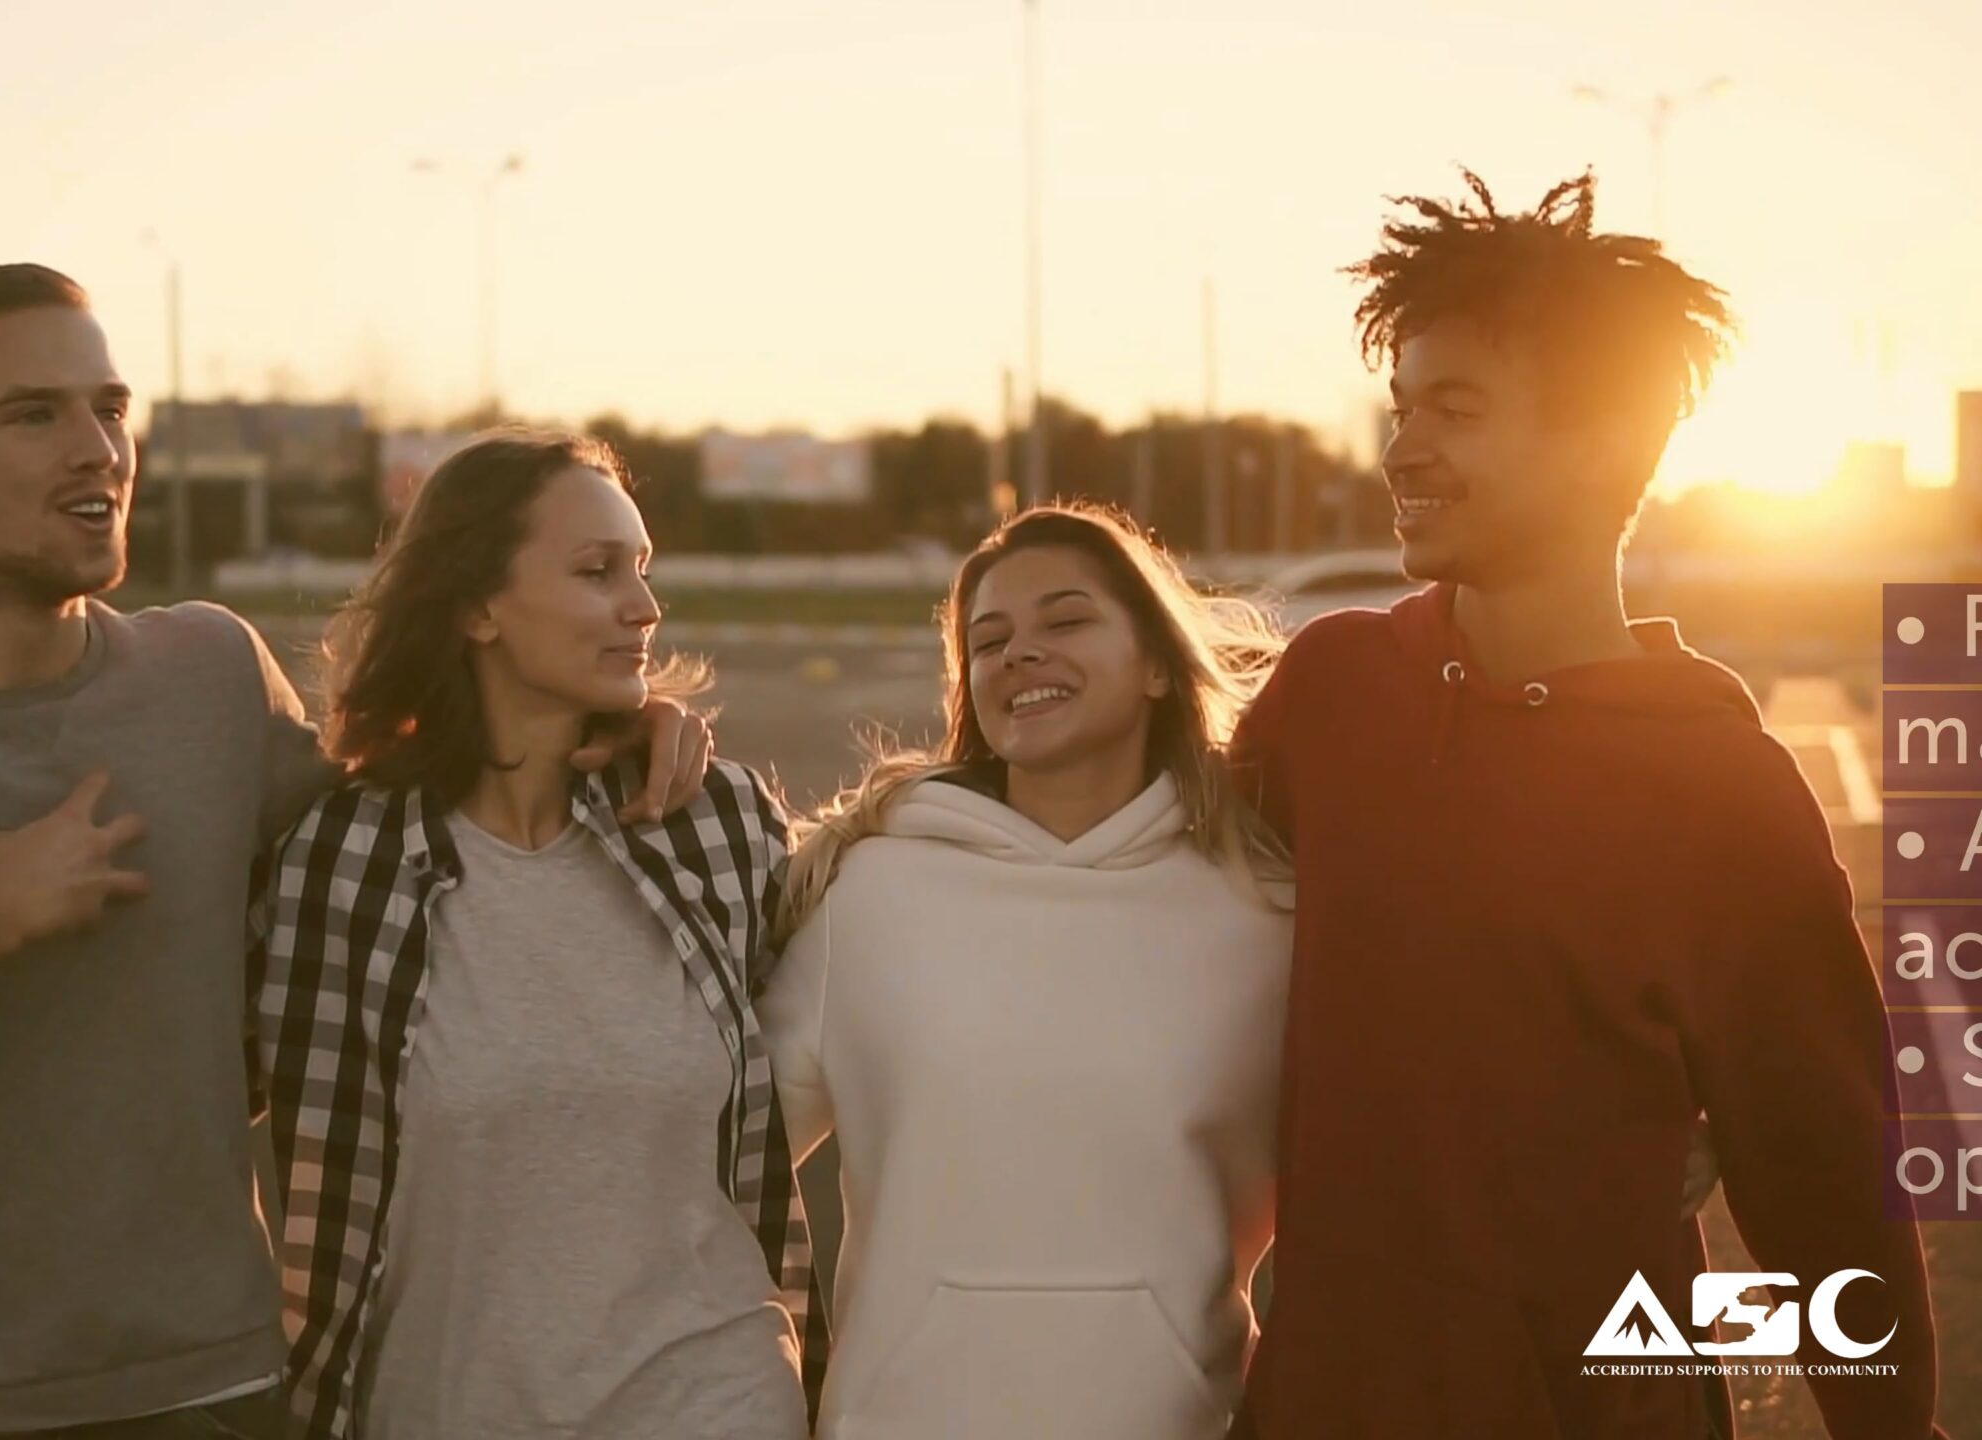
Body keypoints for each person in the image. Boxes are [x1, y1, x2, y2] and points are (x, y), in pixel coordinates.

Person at [0, 266, 709, 1439]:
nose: (98, 450)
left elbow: (414, 844)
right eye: (35, 414)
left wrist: (611, 720)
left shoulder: (211, 677)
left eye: (110, 409)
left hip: (209, 1390)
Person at [1227, 173, 1944, 1439]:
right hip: (1323, 1399)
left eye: (1455, 408)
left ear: (1603, 445)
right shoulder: (1332, 692)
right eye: (1400, 407)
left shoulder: (1719, 789)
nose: (1399, 447)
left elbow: (1823, 1184)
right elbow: (1140, 895)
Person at [257, 429, 822, 1440]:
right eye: (597, 572)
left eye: (642, 572)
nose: (644, 608)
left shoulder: (714, 824)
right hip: (447, 1404)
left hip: (713, 1400)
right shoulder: (340, 861)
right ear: (476, 606)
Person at [760, 501, 1294, 1439]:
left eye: (1066, 620)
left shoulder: (1265, 914)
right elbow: (714, 1161)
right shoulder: (875, 896)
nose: (1020, 654)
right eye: (990, 640)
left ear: (1160, 665)